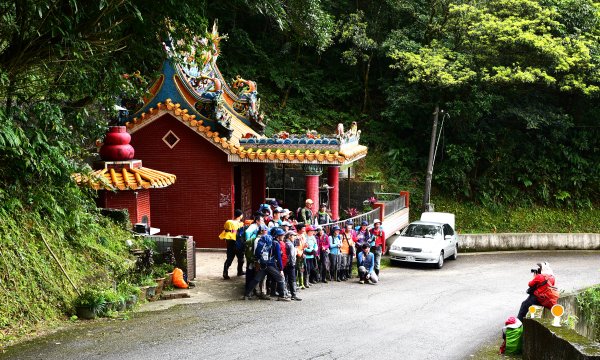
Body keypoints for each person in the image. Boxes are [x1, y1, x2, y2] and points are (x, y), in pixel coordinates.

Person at [243, 228, 290, 301]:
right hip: (270, 265)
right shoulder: (276, 243)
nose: (283, 236)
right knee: (280, 278)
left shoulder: (269, 242)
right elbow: (278, 257)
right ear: (278, 236)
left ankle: (246, 295)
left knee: (256, 279)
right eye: (282, 235)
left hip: (263, 264)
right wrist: (281, 269)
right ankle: (282, 296)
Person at [219, 209, 244, 279]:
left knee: (229, 258)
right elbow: (242, 234)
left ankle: (225, 272)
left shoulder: (229, 223)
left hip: (230, 243)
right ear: (240, 216)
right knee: (241, 259)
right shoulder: (240, 224)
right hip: (238, 243)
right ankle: (240, 271)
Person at [284, 231, 302, 301]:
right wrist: (292, 263)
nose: (294, 237)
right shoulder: (289, 244)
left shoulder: (287, 243)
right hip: (290, 264)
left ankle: (286, 293)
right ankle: (293, 294)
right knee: (292, 279)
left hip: (286, 264)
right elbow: (291, 256)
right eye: (293, 236)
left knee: (286, 278)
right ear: (289, 236)